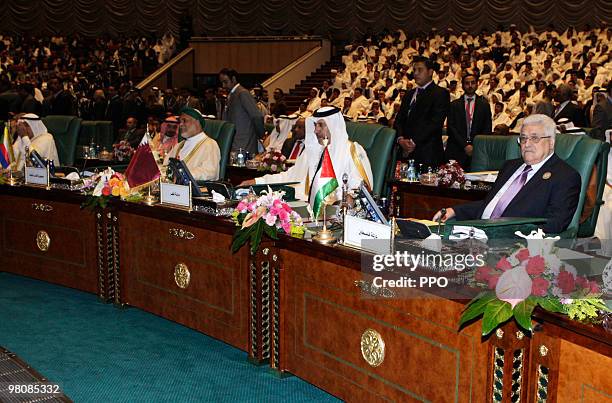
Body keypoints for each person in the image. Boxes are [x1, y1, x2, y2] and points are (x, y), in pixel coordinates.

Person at [433, 114, 581, 234]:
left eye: (534, 138)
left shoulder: (565, 176)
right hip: (476, 234)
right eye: (523, 138)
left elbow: (555, 224)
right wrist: (455, 210)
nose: (527, 144)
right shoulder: (510, 166)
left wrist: (508, 233)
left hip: (513, 245)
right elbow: (490, 206)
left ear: (551, 142)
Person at [239, 107, 373, 202]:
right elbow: (289, 177)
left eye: (321, 125)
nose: (316, 130)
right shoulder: (311, 151)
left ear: (334, 126)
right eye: (315, 125)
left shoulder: (352, 150)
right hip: (303, 207)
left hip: (334, 214)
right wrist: (257, 182)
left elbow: (361, 189)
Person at [394, 56, 450, 168]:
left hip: (427, 153)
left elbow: (435, 123)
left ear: (430, 72)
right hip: (405, 152)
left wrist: (412, 142)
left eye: (420, 70)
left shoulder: (440, 93)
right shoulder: (409, 94)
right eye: (414, 70)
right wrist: (400, 139)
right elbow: (399, 119)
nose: (415, 73)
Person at [446, 73, 492, 168]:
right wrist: (465, 145)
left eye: (473, 83)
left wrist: (475, 145)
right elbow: (451, 127)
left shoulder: (484, 105)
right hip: (457, 148)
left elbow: (487, 127)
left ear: (477, 84)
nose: (470, 86)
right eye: (467, 83)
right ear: (462, 85)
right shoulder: (454, 105)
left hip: (477, 149)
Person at [163, 107, 220, 181]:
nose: (180, 125)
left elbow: (210, 173)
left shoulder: (210, 144)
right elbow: (165, 165)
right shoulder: (179, 145)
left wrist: (182, 174)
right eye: (180, 122)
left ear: (197, 122)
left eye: (184, 121)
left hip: (194, 190)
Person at [219, 68, 264, 156]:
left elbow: (256, 116)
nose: (223, 86)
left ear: (234, 79)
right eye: (222, 83)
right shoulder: (232, 94)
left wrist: (261, 134)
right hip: (234, 140)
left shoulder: (243, 93)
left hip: (244, 142)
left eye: (225, 82)